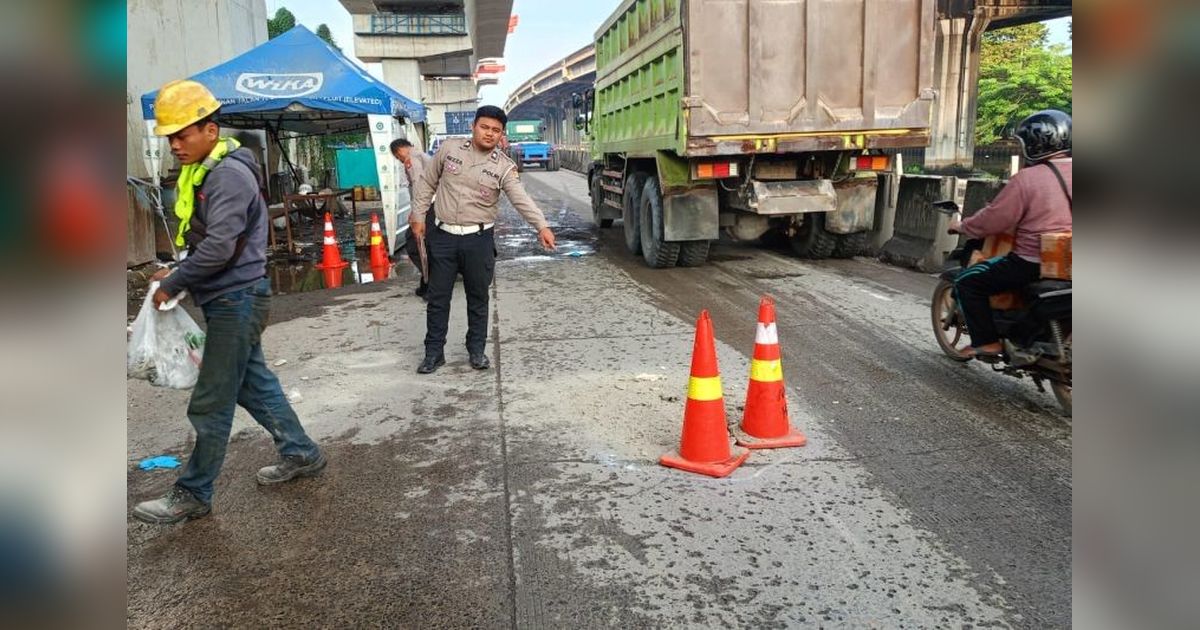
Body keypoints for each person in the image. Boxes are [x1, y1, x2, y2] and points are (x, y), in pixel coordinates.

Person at [132, 80, 326, 524]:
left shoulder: (228, 176)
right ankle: (301, 453)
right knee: (252, 384)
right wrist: (178, 272)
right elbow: (209, 240)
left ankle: (193, 492)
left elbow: (220, 248)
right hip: (231, 298)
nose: (174, 145)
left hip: (236, 300)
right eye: (170, 138)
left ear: (211, 131)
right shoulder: (207, 172)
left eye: (183, 135)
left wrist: (176, 280)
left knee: (212, 399)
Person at [409, 105, 556, 374]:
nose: (489, 134)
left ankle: (476, 350)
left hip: (478, 240)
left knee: (478, 298)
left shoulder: (503, 167)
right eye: (485, 127)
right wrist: (418, 215)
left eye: (496, 130)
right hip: (442, 237)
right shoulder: (449, 150)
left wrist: (541, 226)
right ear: (474, 126)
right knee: (438, 298)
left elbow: (520, 199)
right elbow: (427, 183)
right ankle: (433, 353)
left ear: (501, 135)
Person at [948, 109, 1073, 361]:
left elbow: (995, 219)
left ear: (1035, 144)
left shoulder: (1027, 179)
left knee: (968, 282)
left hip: (1032, 262)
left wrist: (962, 226)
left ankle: (988, 343)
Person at [391, 138, 433, 298]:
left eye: (397, 156)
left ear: (400, 150)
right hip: (433, 205)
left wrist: (417, 212)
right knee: (427, 246)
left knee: (417, 245)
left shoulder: (412, 160)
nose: (398, 160)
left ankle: (431, 282)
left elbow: (418, 185)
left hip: (428, 207)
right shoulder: (422, 155)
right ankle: (427, 281)